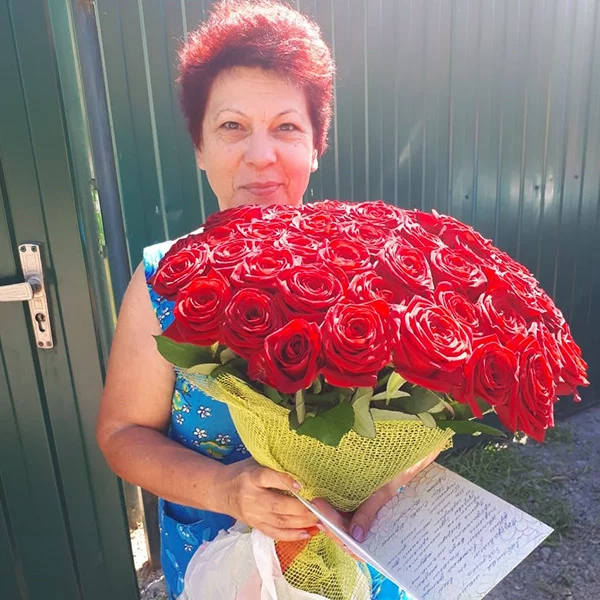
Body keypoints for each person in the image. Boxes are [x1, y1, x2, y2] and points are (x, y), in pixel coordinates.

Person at [96, 1, 439, 598]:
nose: (261, 155)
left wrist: (385, 484)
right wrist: (226, 490)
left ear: (316, 146)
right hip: (219, 566)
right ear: (199, 147)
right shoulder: (160, 281)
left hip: (357, 556)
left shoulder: (376, 267)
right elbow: (123, 433)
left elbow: (422, 418)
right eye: (232, 126)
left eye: (286, 127)